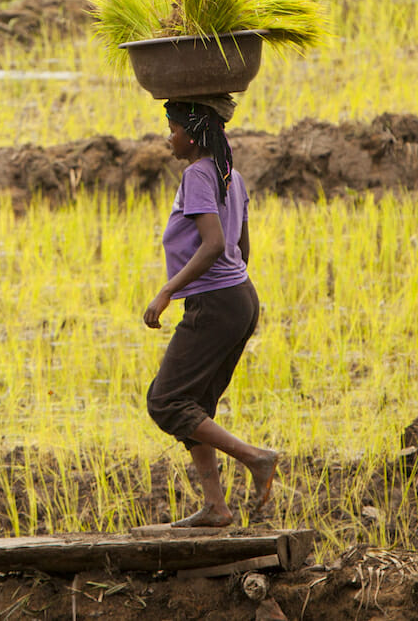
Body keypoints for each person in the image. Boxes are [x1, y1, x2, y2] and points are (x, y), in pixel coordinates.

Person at [144, 99, 279, 528]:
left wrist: (167, 291)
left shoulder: (198, 174)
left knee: (166, 402)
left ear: (192, 134)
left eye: (173, 129)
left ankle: (255, 458)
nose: (169, 137)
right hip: (240, 297)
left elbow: (215, 243)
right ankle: (216, 507)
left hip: (218, 301)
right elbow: (243, 246)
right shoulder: (230, 176)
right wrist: (228, 288)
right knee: (194, 405)